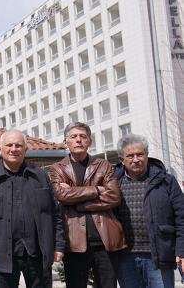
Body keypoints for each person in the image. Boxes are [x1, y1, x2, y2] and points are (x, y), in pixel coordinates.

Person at [0, 130, 65, 288]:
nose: (14, 149)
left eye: (18, 145)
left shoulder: (40, 176)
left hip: (38, 254)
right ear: (0, 149)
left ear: (25, 149)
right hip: (2, 256)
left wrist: (58, 245)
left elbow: (55, 214)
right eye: (9, 145)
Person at [49, 122, 125, 288]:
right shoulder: (57, 168)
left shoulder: (103, 165)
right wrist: (97, 189)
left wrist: (78, 202)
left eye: (83, 136)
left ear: (89, 141)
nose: (78, 140)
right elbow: (62, 195)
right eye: (74, 136)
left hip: (105, 242)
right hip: (74, 243)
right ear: (66, 142)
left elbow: (114, 197)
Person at [112, 134, 184, 288]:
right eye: (130, 156)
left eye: (140, 154)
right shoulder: (113, 183)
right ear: (121, 159)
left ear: (147, 155)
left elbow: (181, 217)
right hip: (125, 257)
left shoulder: (166, 181)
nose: (136, 159)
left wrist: (181, 250)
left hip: (159, 254)